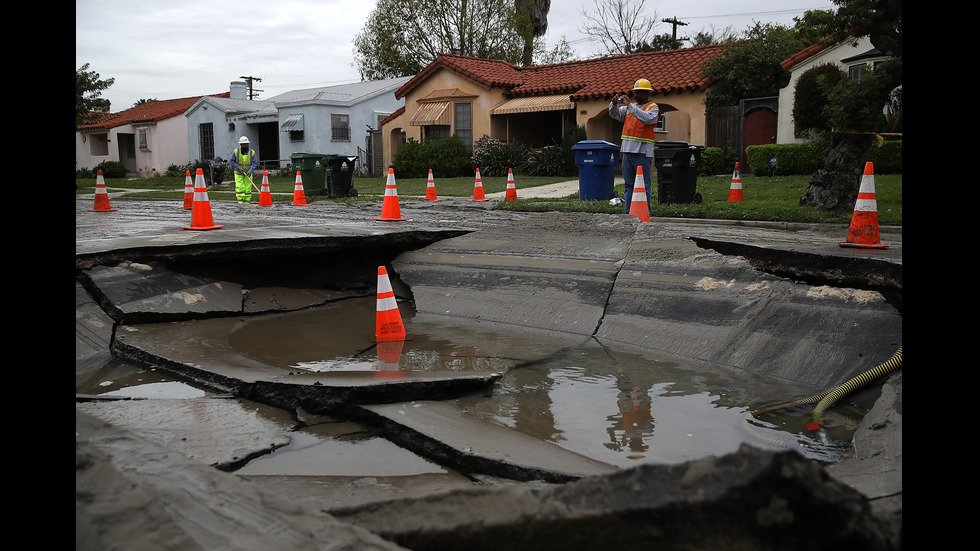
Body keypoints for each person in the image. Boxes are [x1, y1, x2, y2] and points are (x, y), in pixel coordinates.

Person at [608, 79, 660, 213]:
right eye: (635, 92)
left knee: (644, 185)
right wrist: (613, 103)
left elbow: (647, 119)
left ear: (648, 93)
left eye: (640, 92)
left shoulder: (653, 108)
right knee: (629, 185)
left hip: (642, 153)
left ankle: (644, 212)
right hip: (627, 152)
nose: (636, 95)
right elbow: (614, 114)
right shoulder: (629, 109)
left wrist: (631, 106)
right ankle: (629, 212)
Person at [230, 136, 258, 204]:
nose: (246, 145)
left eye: (247, 144)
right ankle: (240, 202)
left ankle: (247, 202)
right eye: (244, 144)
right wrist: (239, 168)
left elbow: (254, 163)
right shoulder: (236, 152)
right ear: (241, 144)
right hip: (238, 173)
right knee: (240, 187)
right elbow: (232, 161)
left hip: (248, 173)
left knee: (247, 188)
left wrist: (250, 171)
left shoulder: (252, 152)